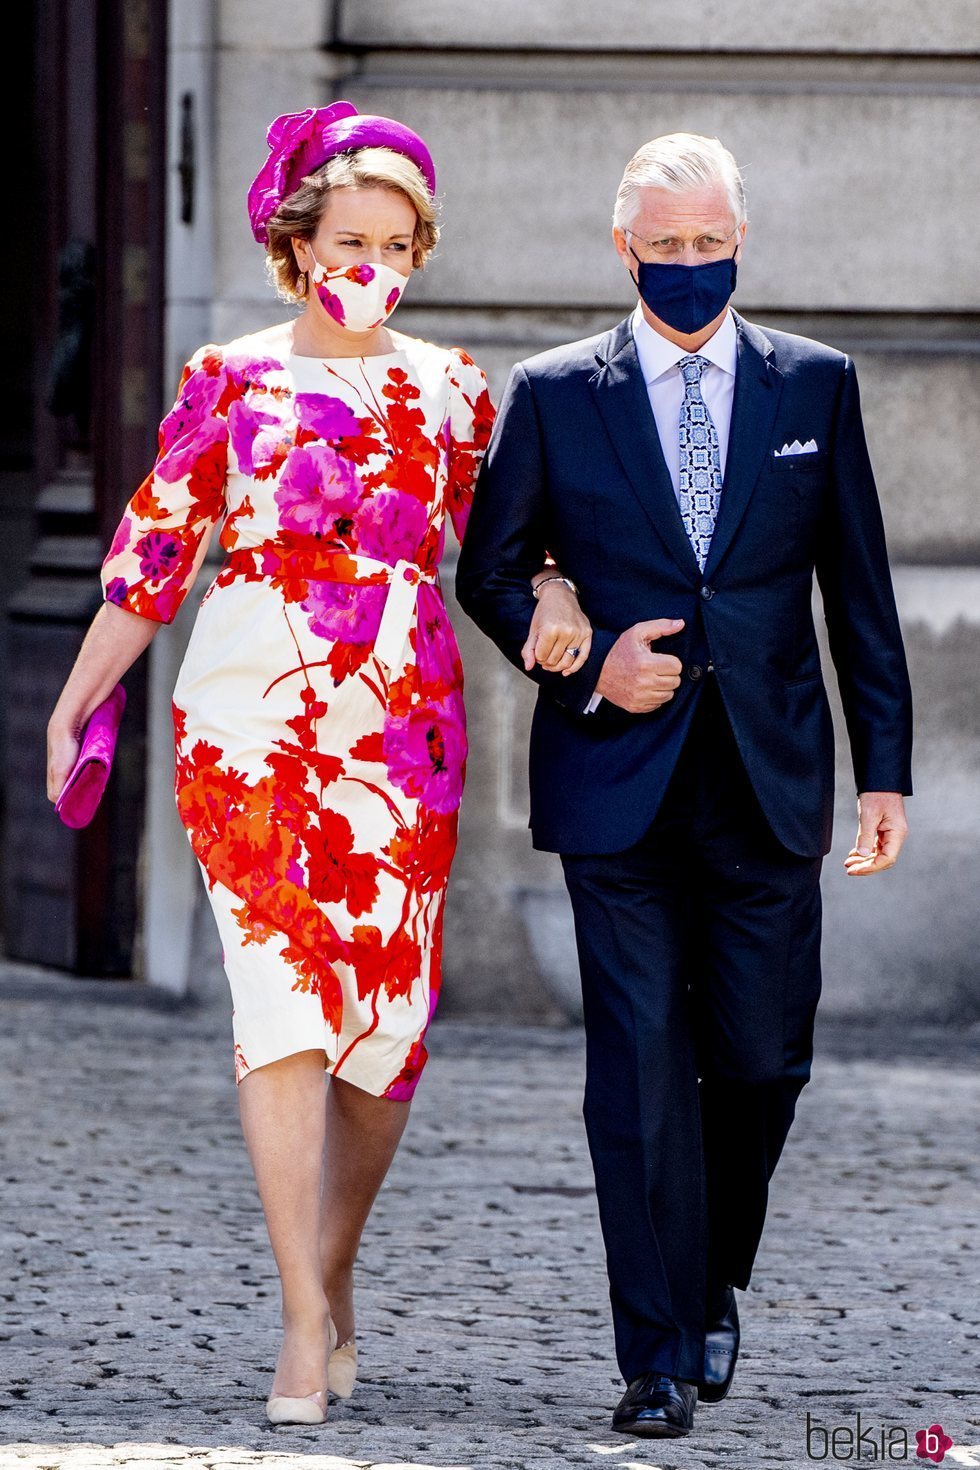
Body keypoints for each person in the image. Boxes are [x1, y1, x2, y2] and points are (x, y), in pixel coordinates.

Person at [45, 101, 591, 1426]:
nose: (375, 264)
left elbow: (508, 544)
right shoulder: (226, 378)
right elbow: (153, 558)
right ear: (297, 243)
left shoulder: (454, 387)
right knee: (282, 1011)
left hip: (403, 733)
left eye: (398, 243)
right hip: (249, 724)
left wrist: (563, 592)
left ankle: (333, 1268)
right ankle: (302, 1316)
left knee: (381, 1039)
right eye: (351, 238)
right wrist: (75, 705)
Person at [456, 132, 912, 1440]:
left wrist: (886, 770)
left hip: (771, 777)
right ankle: (654, 1352)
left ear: (740, 242)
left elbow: (862, 595)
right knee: (641, 1067)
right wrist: (594, 658)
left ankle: (713, 1273)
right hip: (619, 784)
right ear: (626, 250)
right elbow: (489, 570)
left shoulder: (812, 389)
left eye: (714, 246)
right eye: (670, 249)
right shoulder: (554, 394)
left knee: (763, 1061)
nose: (695, 268)